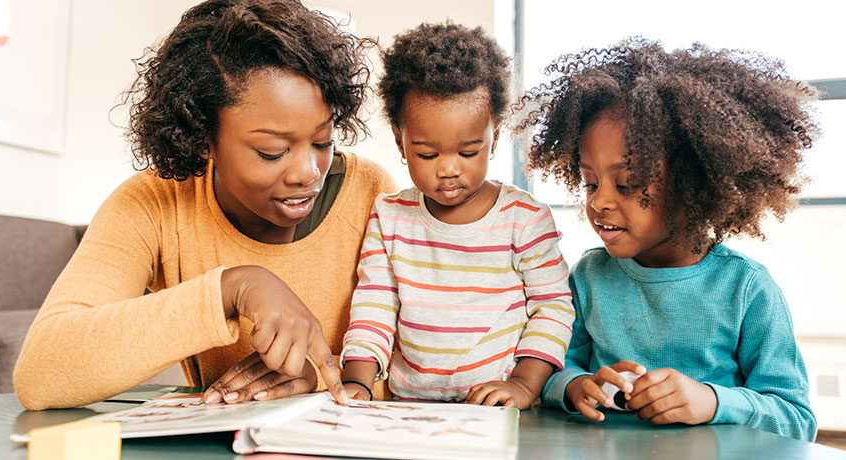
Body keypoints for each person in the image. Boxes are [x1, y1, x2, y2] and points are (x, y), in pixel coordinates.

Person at [13, 0, 396, 410]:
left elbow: (432, 364)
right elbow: (40, 374)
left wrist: (320, 375)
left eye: (323, 141)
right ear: (202, 138)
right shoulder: (155, 203)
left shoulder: (371, 194)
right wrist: (232, 288)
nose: (307, 171)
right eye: (272, 151)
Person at [515, 37, 818, 441]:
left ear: (693, 184)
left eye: (626, 183)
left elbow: (795, 418)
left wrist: (711, 401)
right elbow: (555, 368)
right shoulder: (589, 276)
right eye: (590, 183)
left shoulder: (746, 289)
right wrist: (574, 387)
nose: (600, 201)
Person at [339, 22, 575, 409]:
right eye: (428, 154)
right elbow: (375, 304)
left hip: (501, 408)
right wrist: (359, 385)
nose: (448, 169)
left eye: (468, 152)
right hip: (410, 409)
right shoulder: (390, 215)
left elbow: (552, 307)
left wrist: (522, 385)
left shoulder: (524, 218)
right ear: (401, 140)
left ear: (494, 137)